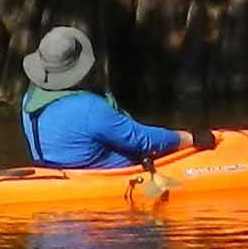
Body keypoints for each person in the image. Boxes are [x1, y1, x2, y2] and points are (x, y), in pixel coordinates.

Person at [16, 23, 207, 167]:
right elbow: (142, 140)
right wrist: (189, 138)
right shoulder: (90, 108)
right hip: (105, 185)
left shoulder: (29, 99)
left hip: (56, 178)